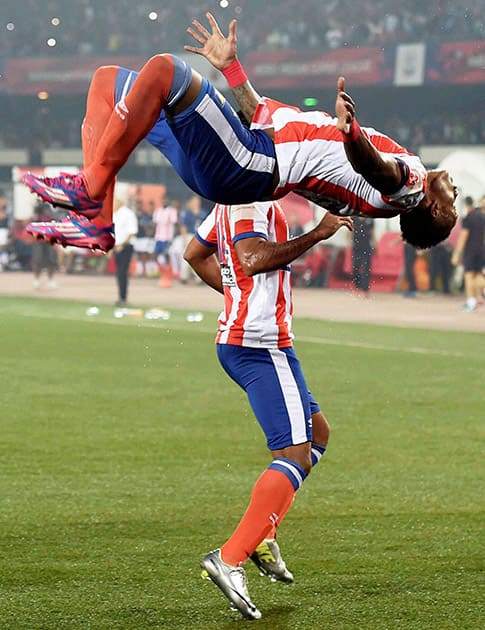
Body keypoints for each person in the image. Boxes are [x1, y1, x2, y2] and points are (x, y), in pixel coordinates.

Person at [24, 12, 457, 255]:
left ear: (436, 211)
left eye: (452, 202)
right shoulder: (385, 180)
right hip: (243, 156)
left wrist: (353, 134)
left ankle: (91, 191)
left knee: (166, 69)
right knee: (106, 82)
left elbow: (380, 171)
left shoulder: (412, 187)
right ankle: (97, 222)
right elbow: (256, 112)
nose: (453, 188)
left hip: (250, 162)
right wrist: (230, 68)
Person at [183, 198, 353, 620]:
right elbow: (254, 258)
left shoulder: (232, 195)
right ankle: (231, 555)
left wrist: (237, 295)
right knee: (295, 454)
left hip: (259, 342)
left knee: (318, 434)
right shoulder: (249, 198)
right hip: (260, 344)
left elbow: (194, 253)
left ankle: (262, 535)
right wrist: (317, 233)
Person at [451, 195, 485, 311]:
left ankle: (471, 302)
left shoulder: (468, 218)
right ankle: (478, 298)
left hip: (471, 251)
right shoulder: (482, 217)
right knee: (478, 275)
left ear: (466, 205)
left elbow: (463, 237)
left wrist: (457, 253)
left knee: (469, 276)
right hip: (481, 250)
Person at [112, 197, 138, 306]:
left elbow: (132, 231)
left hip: (125, 247)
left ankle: (123, 297)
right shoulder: (114, 214)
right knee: (119, 273)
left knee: (122, 272)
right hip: (116, 246)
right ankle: (121, 297)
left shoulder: (128, 214)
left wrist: (122, 245)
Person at [30, 203, 58, 289]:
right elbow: (32, 225)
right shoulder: (36, 215)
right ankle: (36, 279)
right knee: (38, 259)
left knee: (51, 260)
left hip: (49, 240)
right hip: (38, 240)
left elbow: (55, 222)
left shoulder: (50, 215)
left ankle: (51, 279)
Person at [351, 216, 375, 295]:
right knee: (356, 267)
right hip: (356, 247)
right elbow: (349, 229)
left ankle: (365, 289)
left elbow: (372, 232)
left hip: (367, 247)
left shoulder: (370, 218)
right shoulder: (353, 217)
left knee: (366, 268)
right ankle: (357, 286)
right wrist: (349, 242)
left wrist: (375, 244)